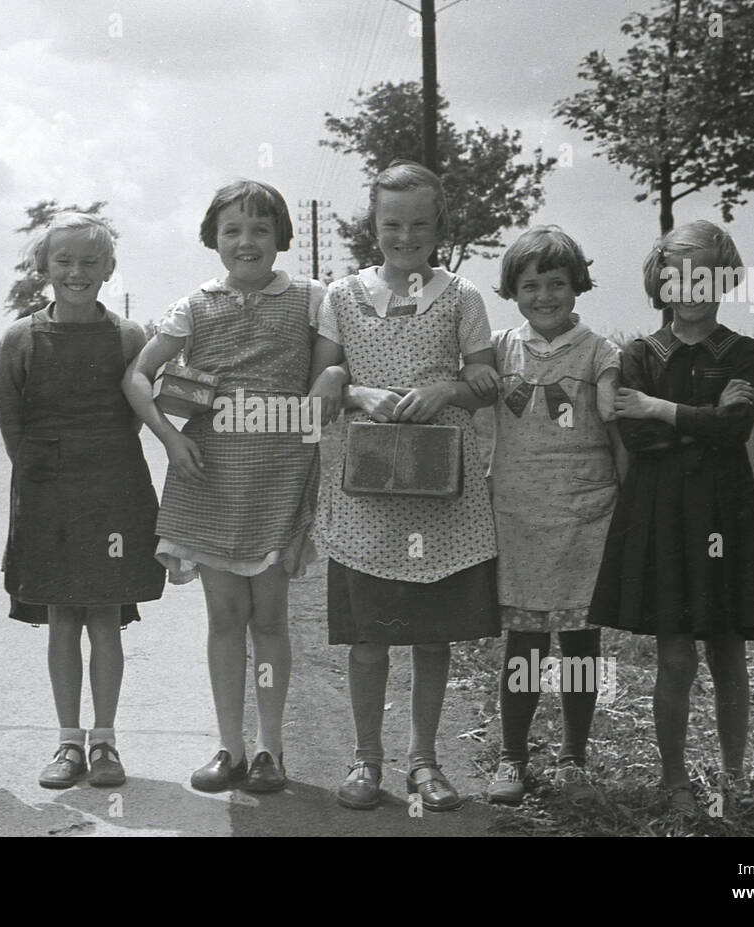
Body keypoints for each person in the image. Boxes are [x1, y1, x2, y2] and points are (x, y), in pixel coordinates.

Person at [310, 161, 500, 811]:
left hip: (439, 491)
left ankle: (424, 759)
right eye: (391, 222)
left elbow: (488, 382)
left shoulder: (463, 297)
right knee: (369, 638)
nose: (405, 235)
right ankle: (367, 760)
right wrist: (359, 390)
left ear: (440, 225)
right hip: (367, 492)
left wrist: (447, 387)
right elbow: (321, 387)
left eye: (420, 222)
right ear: (373, 224)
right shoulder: (341, 297)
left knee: (431, 634)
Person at [123, 180, 323, 793]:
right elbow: (137, 375)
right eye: (232, 230)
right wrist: (169, 437)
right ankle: (229, 747)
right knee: (224, 617)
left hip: (280, 479)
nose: (246, 241)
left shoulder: (313, 300)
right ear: (214, 238)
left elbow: (323, 388)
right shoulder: (194, 306)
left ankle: (270, 750)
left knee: (269, 619)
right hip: (210, 479)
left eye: (261, 229)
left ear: (281, 238)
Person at [590, 220, 754, 815]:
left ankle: (734, 778)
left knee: (726, 649)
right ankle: (675, 779)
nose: (693, 287)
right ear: (661, 284)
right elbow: (636, 437)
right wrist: (702, 420)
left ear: (726, 279)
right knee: (675, 657)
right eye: (679, 276)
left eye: (707, 275)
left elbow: (737, 427)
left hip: (724, 512)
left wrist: (662, 409)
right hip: (663, 515)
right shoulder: (638, 354)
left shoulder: (744, 352)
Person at [0, 212, 165, 789]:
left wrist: (99, 466)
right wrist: (42, 481)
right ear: (44, 267)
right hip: (47, 495)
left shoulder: (129, 336)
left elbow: (137, 413)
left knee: (106, 618)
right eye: (64, 261)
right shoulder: (20, 338)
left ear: (109, 269)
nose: (76, 272)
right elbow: (11, 422)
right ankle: (67, 742)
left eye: (90, 262)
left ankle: (105, 743)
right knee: (61, 618)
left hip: (113, 492)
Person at [482, 227, 625, 806]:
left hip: (587, 513)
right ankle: (512, 758)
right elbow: (464, 394)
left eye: (557, 283)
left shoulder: (601, 352)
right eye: (530, 284)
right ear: (513, 289)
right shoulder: (495, 349)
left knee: (582, 642)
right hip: (517, 515)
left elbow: (618, 434)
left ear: (577, 286)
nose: (544, 295)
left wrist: (628, 502)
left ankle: (574, 758)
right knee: (525, 642)